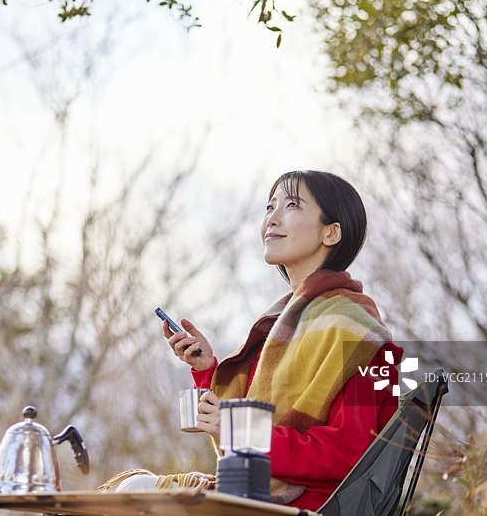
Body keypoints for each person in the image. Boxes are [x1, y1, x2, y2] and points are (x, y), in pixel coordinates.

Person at [164, 170, 403, 511]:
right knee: (130, 488)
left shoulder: (359, 334)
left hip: (310, 507)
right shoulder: (282, 325)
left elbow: (348, 454)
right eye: (269, 207)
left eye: (292, 205)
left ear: (331, 232)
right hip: (258, 500)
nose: (272, 219)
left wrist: (235, 428)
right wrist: (206, 370)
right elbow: (246, 423)